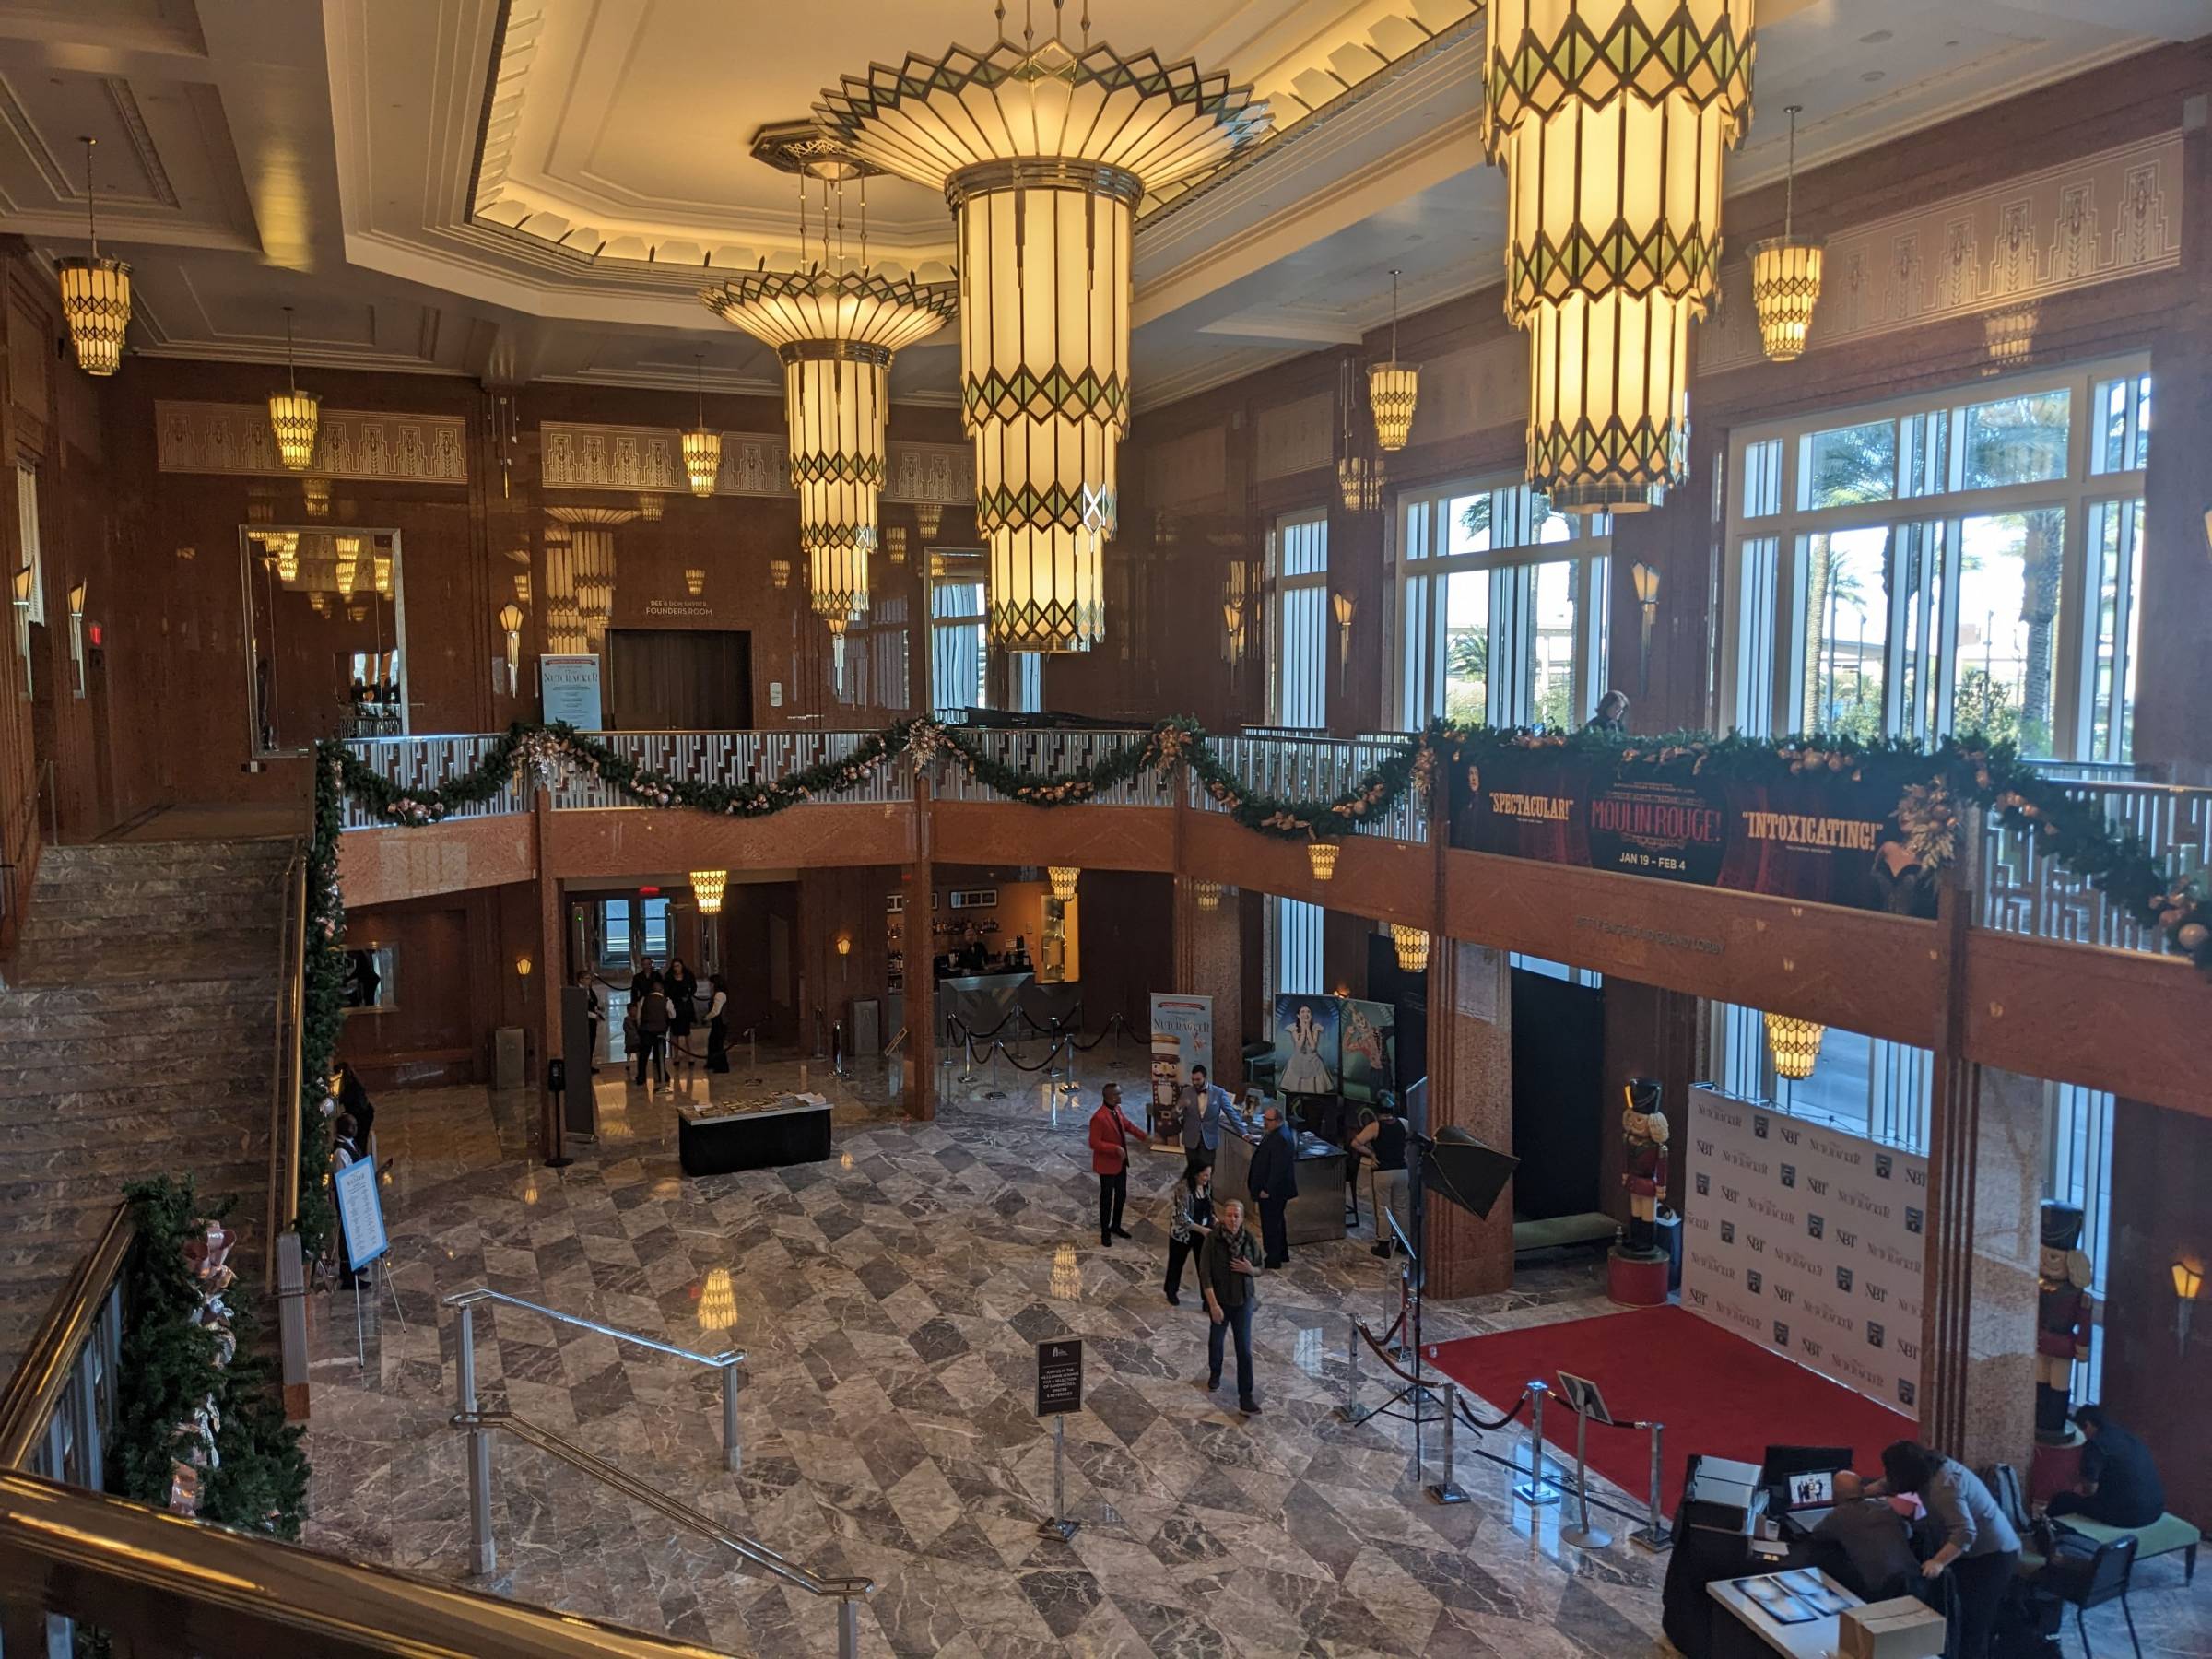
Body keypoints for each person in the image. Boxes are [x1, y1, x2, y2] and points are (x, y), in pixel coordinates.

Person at [1870, 1440, 2020, 1659]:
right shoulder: (1927, 1467)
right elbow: (1892, 1482)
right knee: (1960, 1619)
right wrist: (1863, 1490)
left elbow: (1965, 1532)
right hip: (1973, 1554)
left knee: (1973, 1625)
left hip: (1994, 1556)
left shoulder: (1945, 1486)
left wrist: (1938, 1562)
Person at [1805, 1470, 1920, 1602]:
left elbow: (1818, 1534)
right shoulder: (1885, 1506)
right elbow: (1908, 1533)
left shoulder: (1838, 1515)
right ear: (1862, 1490)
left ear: (1834, 1495)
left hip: (1879, 1590)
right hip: (1916, 1581)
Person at [2047, 1405, 2165, 1526]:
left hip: (2129, 1516)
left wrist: (2080, 1487)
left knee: (2061, 1500)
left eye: (2083, 1431)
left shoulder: (2095, 1445)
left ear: (2088, 1424)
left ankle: (2044, 1533)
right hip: (2155, 1509)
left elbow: (2090, 1490)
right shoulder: (2125, 1436)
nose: (2085, 1436)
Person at [1200, 1197, 1263, 1414]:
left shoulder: (1248, 1240)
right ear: (1223, 1216)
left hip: (1243, 1301)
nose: (1232, 1219)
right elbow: (1205, 1274)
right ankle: (1215, 1372)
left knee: (1244, 1349)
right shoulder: (1212, 1239)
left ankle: (1246, 1396)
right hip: (1220, 1301)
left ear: (1242, 1218)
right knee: (1216, 1342)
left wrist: (1249, 1270)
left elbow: (1260, 1267)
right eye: (1229, 1215)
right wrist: (1213, 1305)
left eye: (1237, 1216)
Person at [1087, 1082, 1148, 1247]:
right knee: (1107, 1198)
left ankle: (1116, 1225)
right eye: (1118, 1094)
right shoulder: (1099, 1118)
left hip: (1120, 1163)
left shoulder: (1117, 1110)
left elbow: (1126, 1125)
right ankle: (1105, 1232)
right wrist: (1114, 1148)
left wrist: (1144, 1137)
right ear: (1111, 1096)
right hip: (1107, 1165)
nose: (1121, 1096)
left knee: (1121, 1195)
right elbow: (1094, 1143)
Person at [1354, 1094, 1411, 1256]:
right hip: (1402, 1170)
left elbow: (1356, 1143)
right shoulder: (1404, 1123)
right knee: (1401, 1207)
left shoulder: (1375, 1127)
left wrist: (1372, 1154)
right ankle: (1403, 1242)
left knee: (1383, 1208)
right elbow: (1410, 1139)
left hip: (1383, 1172)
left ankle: (1383, 1245)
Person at [1248, 1102, 1300, 1269]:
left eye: (1268, 1120)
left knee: (1271, 1223)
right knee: (1276, 1221)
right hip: (1272, 1189)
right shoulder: (1275, 1133)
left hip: (1274, 1191)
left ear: (1278, 1120)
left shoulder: (1281, 1138)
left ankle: (1273, 1257)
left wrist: (1267, 1189)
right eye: (1264, 1118)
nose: (1265, 1122)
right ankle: (1281, 1252)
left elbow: (1278, 1168)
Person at [1164, 1161, 1214, 1306]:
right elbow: (1182, 1218)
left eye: (1209, 1175)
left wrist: (1213, 1220)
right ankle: (1171, 1291)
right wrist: (1202, 1229)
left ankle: (1207, 1300)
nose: (1207, 1178)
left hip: (1201, 1233)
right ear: (1196, 1174)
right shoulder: (1183, 1189)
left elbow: (1208, 1207)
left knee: (1204, 1268)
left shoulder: (1206, 1186)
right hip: (1183, 1234)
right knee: (1176, 1263)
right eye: (1205, 1175)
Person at [1178, 1065, 1235, 1178]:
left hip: (1208, 1140)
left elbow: (1231, 1114)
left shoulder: (1219, 1093)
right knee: (1192, 1172)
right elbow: (1176, 1114)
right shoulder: (1186, 1092)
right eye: (1193, 1080)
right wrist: (1178, 1107)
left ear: (1205, 1078)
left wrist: (1244, 1133)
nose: (1195, 1082)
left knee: (1206, 1173)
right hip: (1191, 1139)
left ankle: (1206, 1194)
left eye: (1198, 1080)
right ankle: (1193, 1193)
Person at [1277, 1004, 1331, 1094]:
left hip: (1313, 1058)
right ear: (1298, 1015)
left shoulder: (1315, 1027)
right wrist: (1303, 1029)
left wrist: (1307, 1029)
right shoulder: (1294, 1028)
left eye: (1308, 1012)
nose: (1305, 1014)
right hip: (1298, 1058)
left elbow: (1313, 1047)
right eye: (1303, 1012)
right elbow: (1299, 1047)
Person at [632, 976, 672, 1088]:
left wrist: (640, 1027)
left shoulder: (644, 999)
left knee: (644, 1055)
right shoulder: (666, 1001)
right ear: (662, 990)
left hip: (646, 1030)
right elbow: (672, 1014)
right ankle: (662, 1074)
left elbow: (639, 1016)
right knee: (660, 1054)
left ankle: (641, 1077)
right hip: (660, 1031)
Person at [665, 958, 699, 1056]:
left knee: (687, 1031)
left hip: (686, 1007)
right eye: (674, 966)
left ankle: (690, 1054)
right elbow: (667, 991)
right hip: (674, 1007)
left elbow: (694, 987)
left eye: (678, 966)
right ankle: (676, 1055)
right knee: (675, 1032)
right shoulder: (669, 977)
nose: (676, 968)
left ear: (682, 966)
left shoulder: (688, 976)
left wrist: (688, 995)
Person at [573, 970, 603, 1072]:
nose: (589, 980)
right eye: (587, 978)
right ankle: (582, 1067)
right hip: (583, 1022)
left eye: (590, 978)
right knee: (584, 1044)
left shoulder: (590, 990)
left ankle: (588, 1065)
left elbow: (593, 1004)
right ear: (580, 980)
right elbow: (580, 1009)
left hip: (592, 1023)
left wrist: (597, 1008)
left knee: (591, 1043)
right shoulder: (577, 992)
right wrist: (594, 1016)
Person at [703, 973, 732, 1074]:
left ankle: (722, 1066)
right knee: (713, 1042)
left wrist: (706, 1018)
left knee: (718, 1044)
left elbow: (716, 1011)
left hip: (720, 1023)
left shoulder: (719, 995)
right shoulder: (718, 994)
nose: (709, 985)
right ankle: (713, 1063)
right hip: (718, 1023)